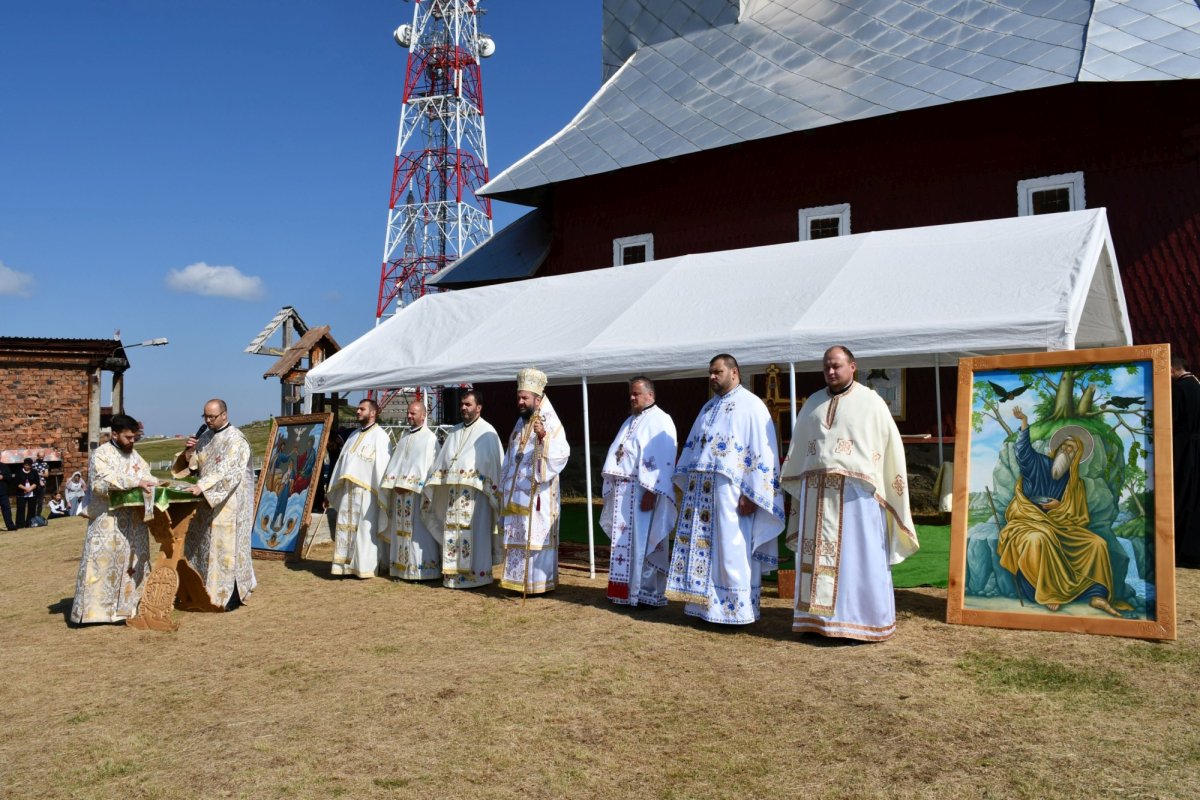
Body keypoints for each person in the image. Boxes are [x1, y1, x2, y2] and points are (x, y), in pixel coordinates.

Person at [780, 346, 919, 641]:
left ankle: (858, 622)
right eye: (826, 367)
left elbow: (890, 447)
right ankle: (817, 621)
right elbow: (800, 449)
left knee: (857, 558)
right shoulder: (812, 403)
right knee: (816, 556)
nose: (831, 371)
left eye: (837, 366)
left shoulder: (871, 402)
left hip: (856, 497)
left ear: (853, 366)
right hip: (816, 495)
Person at [666, 354, 785, 624]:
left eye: (717, 372)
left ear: (734, 372)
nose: (712, 377)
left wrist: (752, 494)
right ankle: (703, 606)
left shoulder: (752, 406)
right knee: (704, 549)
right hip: (701, 493)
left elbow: (762, 452)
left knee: (731, 550)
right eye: (710, 372)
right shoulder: (708, 407)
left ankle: (735, 610)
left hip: (732, 493)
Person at [996, 406, 1128, 617]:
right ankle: (1049, 592)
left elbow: (1078, 517)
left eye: (1071, 449)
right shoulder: (1039, 463)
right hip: (1027, 521)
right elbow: (1023, 453)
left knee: (1096, 544)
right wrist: (1024, 423)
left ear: (1077, 455)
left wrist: (1061, 506)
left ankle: (1097, 594)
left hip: (1061, 527)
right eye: (1064, 446)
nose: (1066, 450)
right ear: (1057, 447)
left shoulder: (1074, 483)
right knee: (1039, 539)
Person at [70, 413, 159, 624]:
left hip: (133, 521)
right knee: (103, 565)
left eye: (134, 437)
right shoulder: (101, 454)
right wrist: (134, 482)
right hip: (107, 520)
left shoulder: (135, 456)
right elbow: (100, 484)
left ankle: (129, 607)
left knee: (132, 564)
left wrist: (157, 483)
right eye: (128, 437)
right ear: (115, 434)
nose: (132, 441)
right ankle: (98, 613)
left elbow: (146, 476)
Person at [599, 376, 678, 607]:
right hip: (624, 493)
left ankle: (645, 594)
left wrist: (652, 492)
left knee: (644, 543)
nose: (632, 398)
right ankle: (623, 592)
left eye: (637, 394)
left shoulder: (661, 419)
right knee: (624, 544)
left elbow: (664, 458)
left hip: (644, 492)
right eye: (631, 394)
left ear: (650, 395)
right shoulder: (631, 420)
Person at [173, 398, 258, 609]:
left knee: (226, 549)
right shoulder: (205, 437)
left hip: (228, 503)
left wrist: (202, 486)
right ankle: (199, 591)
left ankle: (228, 595)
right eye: (206, 416)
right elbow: (194, 466)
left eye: (212, 416)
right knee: (201, 548)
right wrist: (188, 453)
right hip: (207, 503)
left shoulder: (237, 440)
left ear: (224, 415)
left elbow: (228, 472)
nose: (208, 421)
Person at [422, 389, 505, 589]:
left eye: (468, 404)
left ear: (479, 407)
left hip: (477, 498)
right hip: (453, 495)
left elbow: (493, 466)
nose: (463, 408)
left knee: (476, 535)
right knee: (453, 534)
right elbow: (443, 460)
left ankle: (478, 576)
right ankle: (453, 576)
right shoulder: (454, 431)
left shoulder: (488, 432)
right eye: (461, 404)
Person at [498, 368, 569, 595]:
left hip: (538, 494)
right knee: (518, 534)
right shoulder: (520, 423)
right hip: (517, 495)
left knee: (534, 537)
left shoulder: (549, 421)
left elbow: (562, 453)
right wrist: (503, 485)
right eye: (518, 397)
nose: (520, 402)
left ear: (537, 399)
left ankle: (537, 584)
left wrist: (543, 437)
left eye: (524, 398)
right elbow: (511, 457)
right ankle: (517, 582)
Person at [327, 398, 392, 578]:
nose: (357, 412)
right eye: (358, 409)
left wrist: (382, 493)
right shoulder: (353, 435)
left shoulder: (380, 436)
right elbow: (342, 463)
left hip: (368, 493)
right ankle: (345, 566)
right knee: (345, 528)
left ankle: (365, 567)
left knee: (364, 531)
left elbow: (383, 467)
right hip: (348, 491)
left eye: (362, 409)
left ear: (373, 413)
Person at [380, 400, 439, 580]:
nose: (409, 416)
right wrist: (394, 483)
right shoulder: (404, 437)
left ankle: (421, 571)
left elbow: (429, 467)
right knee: (400, 533)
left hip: (417, 496)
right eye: (408, 412)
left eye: (413, 413)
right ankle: (401, 569)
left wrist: (408, 485)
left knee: (418, 534)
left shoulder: (430, 438)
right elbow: (396, 464)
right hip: (399, 494)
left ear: (423, 415)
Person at [1172, 355, 1200, 567]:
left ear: (1172, 370)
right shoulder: (1197, 384)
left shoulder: (1179, 389)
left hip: (1183, 449)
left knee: (1181, 496)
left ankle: (1180, 551)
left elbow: (1172, 421)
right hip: (1196, 449)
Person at [15, 459, 38, 528]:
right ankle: (20, 525)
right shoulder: (18, 472)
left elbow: (36, 482)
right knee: (20, 508)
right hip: (21, 493)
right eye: (26, 465)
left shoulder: (34, 472)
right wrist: (25, 489)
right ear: (24, 464)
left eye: (29, 465)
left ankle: (30, 523)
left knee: (32, 508)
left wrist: (30, 489)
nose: (27, 466)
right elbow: (17, 483)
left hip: (32, 492)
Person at [0, 460, 15, 531]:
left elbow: (9, 477)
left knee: (6, 510)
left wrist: (2, 477)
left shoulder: (4, 466)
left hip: (3, 492)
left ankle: (10, 526)